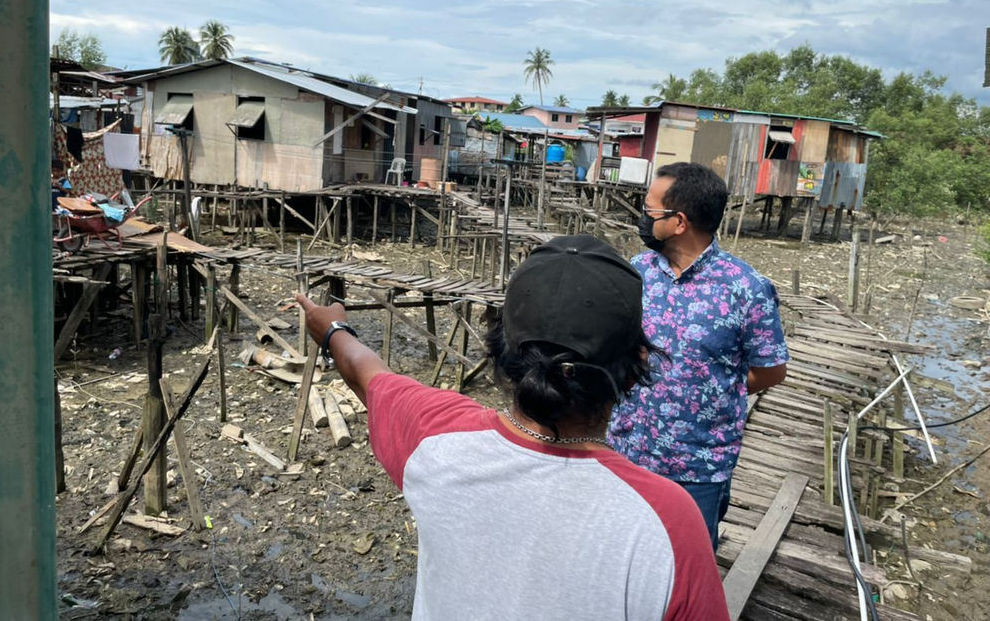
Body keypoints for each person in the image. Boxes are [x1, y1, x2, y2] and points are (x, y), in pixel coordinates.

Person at [297, 234, 728, 621]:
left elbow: (365, 372)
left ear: (501, 350)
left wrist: (333, 327)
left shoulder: (434, 437)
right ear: (637, 366)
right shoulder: (669, 523)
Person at [609, 162, 789, 551]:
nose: (643, 218)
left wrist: (713, 391)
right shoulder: (635, 274)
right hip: (626, 450)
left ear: (679, 222)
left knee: (688, 564)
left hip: (697, 466)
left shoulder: (746, 289)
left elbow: (771, 371)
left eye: (650, 210)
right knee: (623, 554)